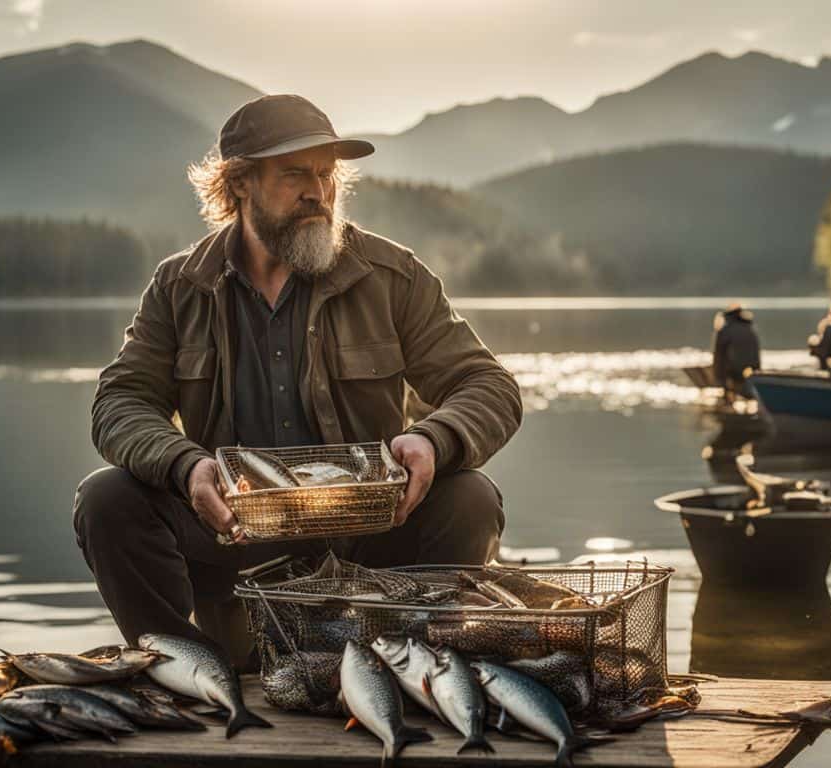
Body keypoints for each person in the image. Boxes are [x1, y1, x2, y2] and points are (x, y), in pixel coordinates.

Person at [72, 94, 523, 664]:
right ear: (238, 184)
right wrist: (186, 466)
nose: (319, 191)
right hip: (234, 538)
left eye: (326, 174)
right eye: (294, 175)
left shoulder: (392, 274)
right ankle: (186, 672)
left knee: (470, 496)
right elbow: (120, 401)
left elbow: (488, 384)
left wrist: (434, 438)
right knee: (107, 498)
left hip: (374, 538)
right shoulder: (179, 285)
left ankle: (419, 666)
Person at [710, 303, 761, 401]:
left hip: (735, 371)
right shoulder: (750, 329)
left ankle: (727, 396)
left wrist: (719, 379)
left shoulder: (726, 331)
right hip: (752, 369)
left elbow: (719, 356)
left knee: (726, 376)